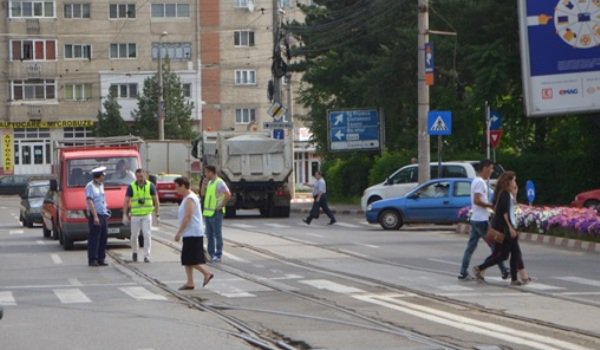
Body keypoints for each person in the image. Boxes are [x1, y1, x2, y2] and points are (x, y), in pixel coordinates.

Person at [458, 160, 509, 280]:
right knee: (495, 246)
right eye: (491, 168)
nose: (492, 171)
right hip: (481, 220)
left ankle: (463, 271)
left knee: (470, 247)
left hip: (476, 218)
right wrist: (490, 206)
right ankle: (503, 270)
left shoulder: (477, 181)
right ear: (485, 168)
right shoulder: (480, 182)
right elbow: (477, 200)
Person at [473, 171, 524, 285]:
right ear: (509, 181)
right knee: (514, 253)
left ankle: (480, 268)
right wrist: (511, 228)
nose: (515, 183)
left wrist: (515, 194)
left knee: (503, 255)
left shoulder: (506, 194)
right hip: (505, 229)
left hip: (504, 228)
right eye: (514, 180)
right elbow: (505, 213)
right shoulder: (504, 194)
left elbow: (512, 208)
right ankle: (514, 279)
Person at [174, 176, 214, 290]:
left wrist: (179, 233)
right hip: (190, 233)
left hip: (193, 233)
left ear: (183, 186)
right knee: (187, 259)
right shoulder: (187, 197)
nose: (176, 190)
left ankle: (206, 273)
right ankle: (190, 282)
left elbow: (188, 216)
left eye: (177, 187)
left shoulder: (190, 198)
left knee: (190, 259)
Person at [122, 168, 160, 263]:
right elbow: (126, 201)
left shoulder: (150, 186)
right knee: (134, 235)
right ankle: (135, 252)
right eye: (138, 176)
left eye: (141, 176)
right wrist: (124, 214)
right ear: (136, 176)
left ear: (145, 175)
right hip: (135, 215)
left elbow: (156, 200)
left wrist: (157, 214)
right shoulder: (131, 187)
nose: (140, 178)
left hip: (146, 215)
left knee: (147, 235)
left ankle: (147, 256)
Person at [200, 166, 231, 263]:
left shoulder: (219, 182)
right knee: (209, 235)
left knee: (217, 234)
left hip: (216, 212)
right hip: (208, 213)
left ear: (211, 172)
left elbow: (227, 194)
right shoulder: (209, 183)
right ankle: (211, 254)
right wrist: (203, 185)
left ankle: (218, 254)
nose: (205, 174)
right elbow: (202, 194)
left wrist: (221, 205)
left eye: (206, 172)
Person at [85, 166, 110, 267]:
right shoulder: (90, 186)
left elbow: (102, 199)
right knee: (95, 238)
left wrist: (106, 210)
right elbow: (90, 201)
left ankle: (101, 258)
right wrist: (95, 216)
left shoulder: (100, 185)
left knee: (103, 237)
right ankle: (93, 259)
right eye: (103, 175)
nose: (104, 177)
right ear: (98, 176)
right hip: (96, 214)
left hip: (103, 214)